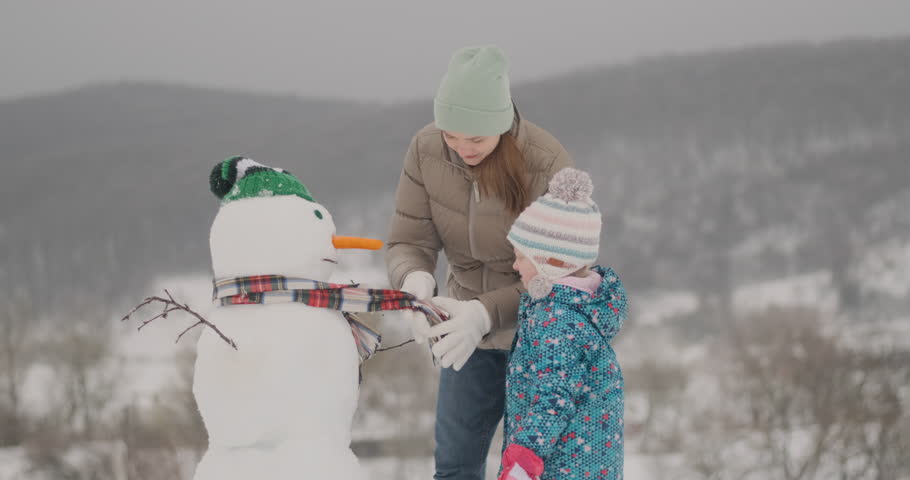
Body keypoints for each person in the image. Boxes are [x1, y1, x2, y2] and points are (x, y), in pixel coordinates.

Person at [385, 45, 573, 479]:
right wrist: (413, 282)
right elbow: (408, 237)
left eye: (475, 138)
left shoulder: (546, 162)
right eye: (451, 134)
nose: (461, 147)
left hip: (540, 338)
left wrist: (485, 313)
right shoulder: (426, 149)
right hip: (465, 334)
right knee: (454, 465)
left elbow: (561, 272)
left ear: (502, 126)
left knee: (533, 469)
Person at [497, 168, 627, 480]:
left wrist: (522, 463)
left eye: (521, 257)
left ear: (552, 263)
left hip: (559, 468)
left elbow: (552, 399)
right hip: (590, 466)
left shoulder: (555, 320)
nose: (514, 265)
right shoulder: (581, 308)